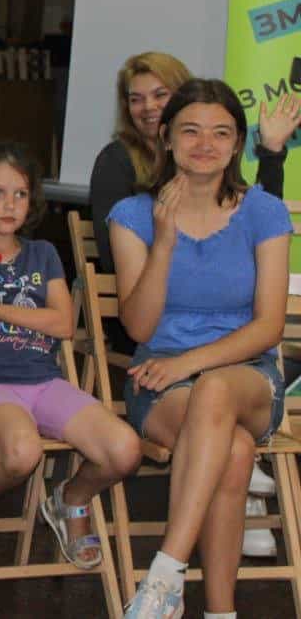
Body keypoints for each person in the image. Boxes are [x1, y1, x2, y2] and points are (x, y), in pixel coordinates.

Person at [109, 79, 291, 619]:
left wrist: (187, 363)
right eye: (190, 131)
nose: (205, 144)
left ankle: (166, 571)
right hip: (158, 379)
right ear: (166, 137)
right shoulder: (132, 215)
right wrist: (163, 243)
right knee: (233, 453)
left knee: (214, 390)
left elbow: (269, 326)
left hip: (247, 376)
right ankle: (219, 613)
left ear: (237, 144)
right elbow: (139, 326)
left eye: (221, 133)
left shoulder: (263, 212)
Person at [0, 142, 141, 581]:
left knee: (125, 450)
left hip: (44, 382)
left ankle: (70, 499)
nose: (10, 204)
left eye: (20, 194)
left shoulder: (43, 253)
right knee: (23, 451)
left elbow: (62, 323)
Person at [90, 51, 299, 273]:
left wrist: (272, 150)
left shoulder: (212, 162)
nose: (148, 106)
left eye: (160, 95)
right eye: (135, 99)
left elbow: (262, 223)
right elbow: (115, 259)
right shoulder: (116, 166)